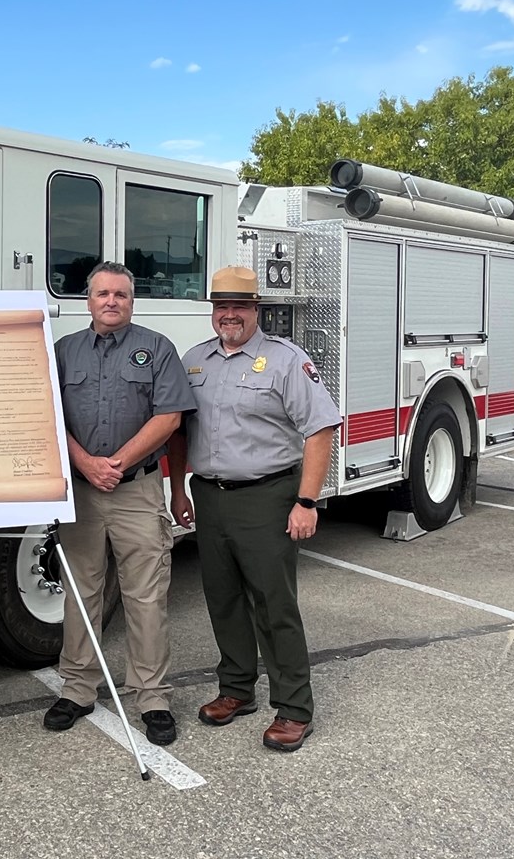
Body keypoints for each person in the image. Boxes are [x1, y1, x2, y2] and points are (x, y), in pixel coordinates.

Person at [166, 265, 341, 752]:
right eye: (221, 307)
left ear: (255, 310)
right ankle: (237, 690)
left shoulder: (285, 360)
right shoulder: (195, 361)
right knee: (222, 598)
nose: (229, 316)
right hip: (210, 495)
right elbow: (180, 431)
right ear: (213, 312)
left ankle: (293, 708)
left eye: (239, 307)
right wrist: (180, 490)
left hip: (267, 497)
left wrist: (306, 501)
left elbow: (321, 429)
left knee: (273, 605)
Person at [44, 261, 196, 747]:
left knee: (146, 596)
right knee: (80, 591)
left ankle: (152, 697)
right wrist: (87, 464)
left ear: (133, 301)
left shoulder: (155, 349)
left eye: (122, 295)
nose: (112, 302)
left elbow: (170, 417)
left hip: (136, 489)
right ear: (87, 300)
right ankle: (77, 688)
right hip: (82, 491)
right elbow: (47, 414)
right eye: (103, 294)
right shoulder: (63, 352)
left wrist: (116, 464)